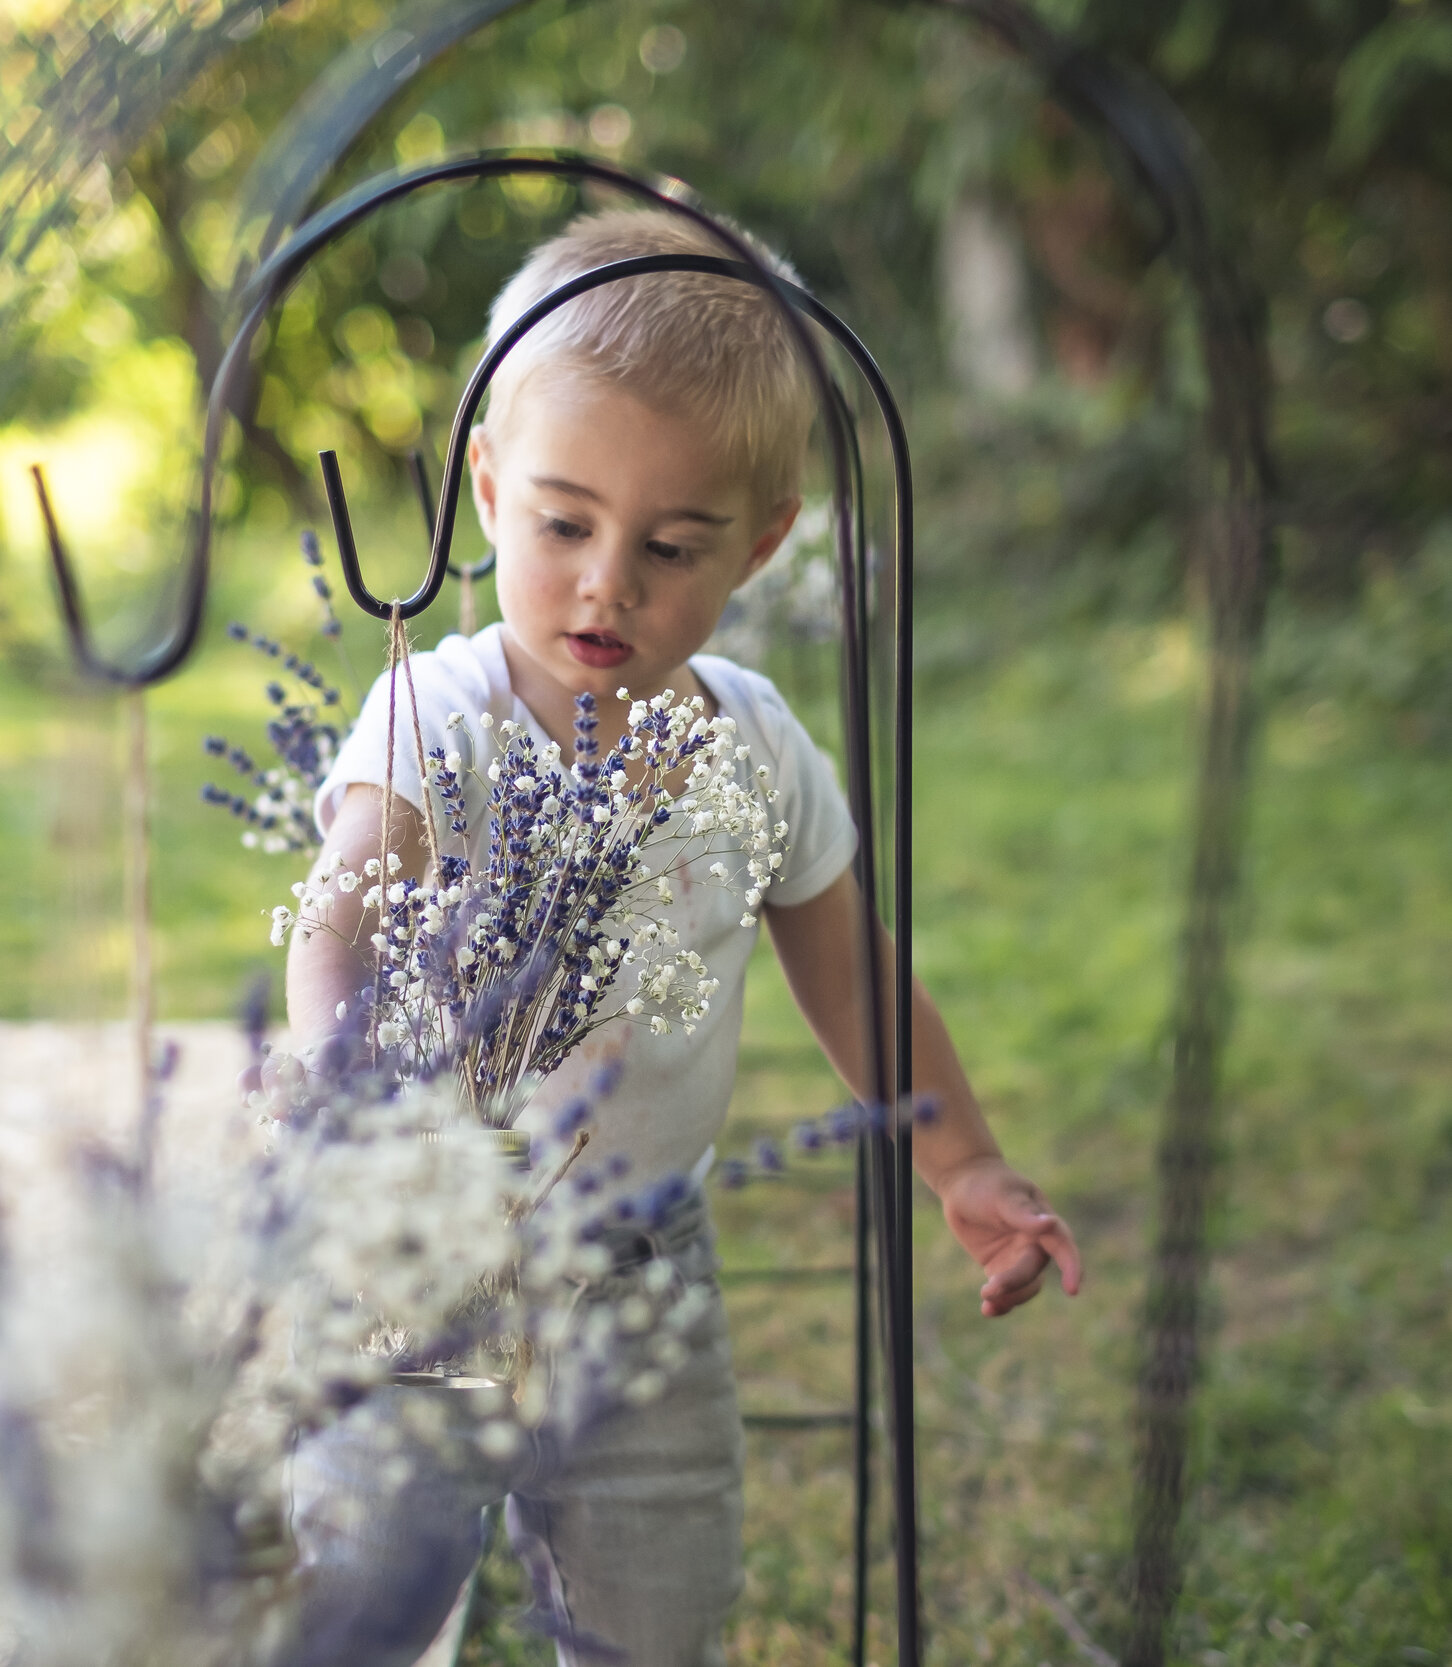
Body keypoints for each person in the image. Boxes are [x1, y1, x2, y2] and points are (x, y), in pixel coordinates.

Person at [279, 206, 1084, 1667]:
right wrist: (345, 1088)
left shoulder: (754, 748)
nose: (608, 582)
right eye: (565, 523)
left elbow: (852, 966)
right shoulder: (438, 714)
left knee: (655, 1615)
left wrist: (958, 1156)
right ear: (487, 488)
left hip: (644, 1269)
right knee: (374, 1596)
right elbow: (340, 914)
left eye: (671, 544)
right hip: (423, 1251)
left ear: (764, 542)